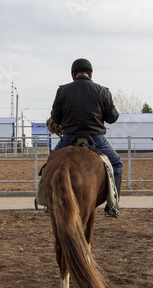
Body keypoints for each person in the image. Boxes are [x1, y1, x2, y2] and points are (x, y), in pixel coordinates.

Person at [50, 58, 123, 217]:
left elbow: (55, 116)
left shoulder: (62, 90)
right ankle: (113, 205)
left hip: (69, 137)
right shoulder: (103, 91)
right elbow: (112, 118)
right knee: (116, 164)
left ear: (73, 74)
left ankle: (47, 202)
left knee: (50, 164)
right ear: (90, 74)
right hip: (95, 138)